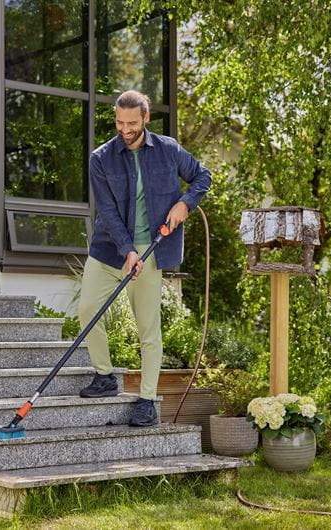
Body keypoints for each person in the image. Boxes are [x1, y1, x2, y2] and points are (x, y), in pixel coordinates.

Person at [78, 90, 212, 426]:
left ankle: (147, 400)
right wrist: (128, 250)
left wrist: (185, 204)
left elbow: (203, 176)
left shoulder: (168, 150)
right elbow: (107, 210)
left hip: (152, 249)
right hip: (110, 248)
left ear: (146, 118)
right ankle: (105, 376)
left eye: (132, 123)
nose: (125, 129)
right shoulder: (101, 158)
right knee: (88, 309)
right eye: (120, 123)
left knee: (148, 328)